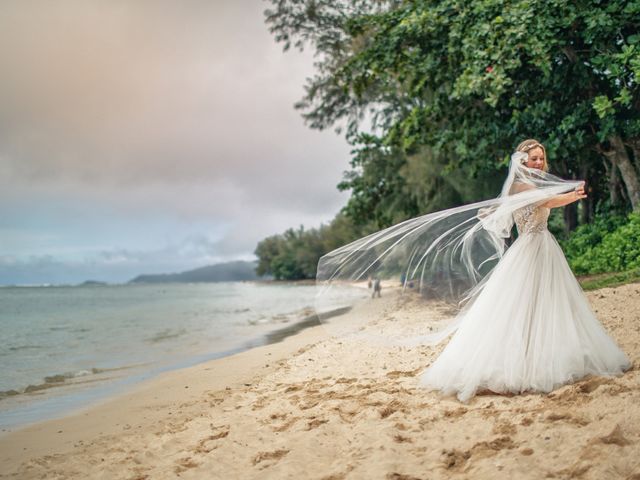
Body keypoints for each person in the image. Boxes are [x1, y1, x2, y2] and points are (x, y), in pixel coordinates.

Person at [315, 138, 631, 402]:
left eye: (541, 158)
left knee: (550, 304)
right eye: (533, 158)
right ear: (522, 162)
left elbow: (547, 199)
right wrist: (571, 195)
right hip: (531, 250)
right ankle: (521, 364)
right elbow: (547, 202)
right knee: (520, 307)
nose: (538, 163)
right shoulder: (522, 187)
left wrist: (567, 195)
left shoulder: (532, 185)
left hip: (544, 248)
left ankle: (547, 356)